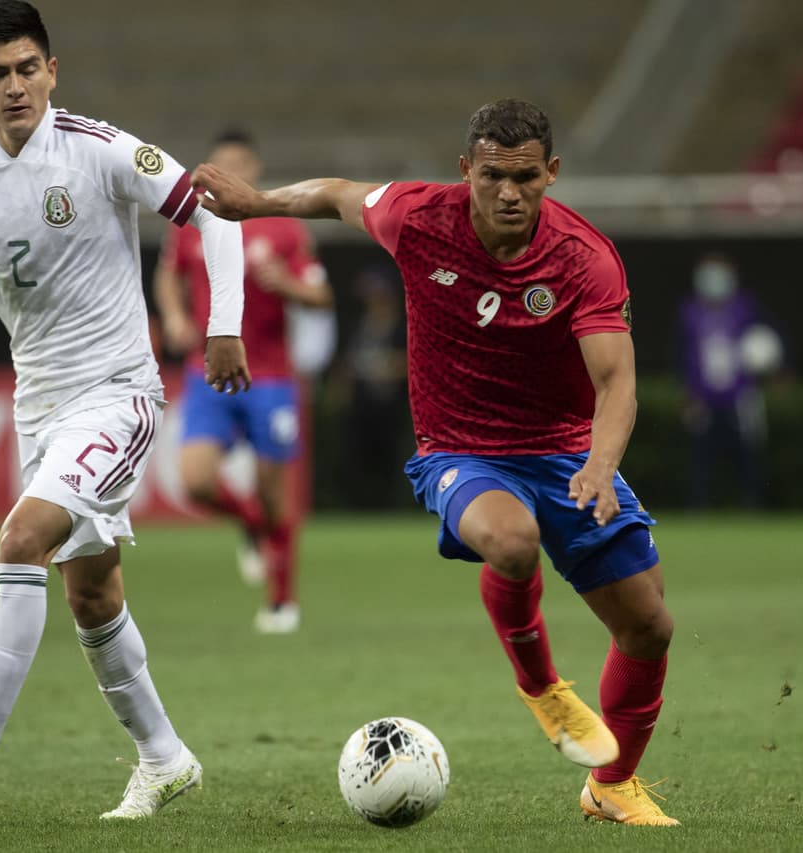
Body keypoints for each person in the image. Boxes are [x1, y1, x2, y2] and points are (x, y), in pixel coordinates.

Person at [192, 98, 679, 827]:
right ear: (466, 171)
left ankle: (613, 785)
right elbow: (334, 195)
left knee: (649, 626)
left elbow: (617, 383)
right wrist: (256, 203)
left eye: (524, 177)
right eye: (492, 176)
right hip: (461, 447)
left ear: (551, 173)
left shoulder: (585, 257)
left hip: (566, 449)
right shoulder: (418, 216)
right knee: (511, 542)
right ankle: (542, 685)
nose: (508, 193)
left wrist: (602, 465)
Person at [0, 0, 249, 819]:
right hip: (40, 405)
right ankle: (165, 756)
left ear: (52, 71)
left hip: (118, 394)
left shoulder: (99, 150)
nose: (15, 86)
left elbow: (211, 211)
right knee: (92, 595)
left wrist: (223, 324)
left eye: (28, 68)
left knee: (21, 536)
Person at [154, 129, 333, 634]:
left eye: (237, 164)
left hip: (271, 376)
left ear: (253, 170)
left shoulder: (282, 228)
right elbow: (169, 274)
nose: (227, 171)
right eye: (218, 163)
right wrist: (173, 314)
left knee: (278, 494)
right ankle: (251, 526)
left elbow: (322, 297)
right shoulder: (190, 222)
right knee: (196, 480)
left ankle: (281, 599)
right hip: (205, 371)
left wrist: (290, 285)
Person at [678, 253, 779, 510]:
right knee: (701, 459)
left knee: (747, 456)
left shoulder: (746, 307)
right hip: (703, 400)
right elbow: (680, 355)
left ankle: (752, 505)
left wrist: (777, 370)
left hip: (740, 398)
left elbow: (770, 339)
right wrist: (687, 395)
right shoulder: (690, 311)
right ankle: (698, 507)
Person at [338, 264, 410, 510]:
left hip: (391, 404)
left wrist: (386, 367)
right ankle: (357, 506)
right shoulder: (358, 325)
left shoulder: (404, 325)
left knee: (390, 459)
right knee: (357, 457)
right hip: (362, 403)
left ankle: (392, 507)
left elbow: (411, 362)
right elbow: (347, 363)